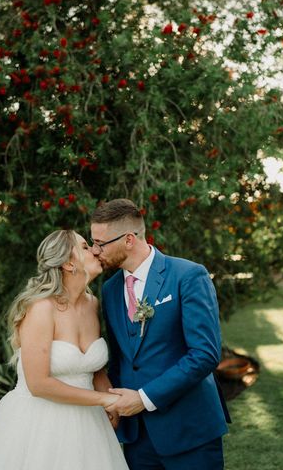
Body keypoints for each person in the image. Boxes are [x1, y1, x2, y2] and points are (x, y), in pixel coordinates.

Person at [90, 198, 231, 470]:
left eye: (100, 243)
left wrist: (143, 398)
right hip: (137, 436)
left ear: (129, 239)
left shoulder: (188, 275)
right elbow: (122, 356)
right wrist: (112, 402)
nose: (95, 251)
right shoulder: (109, 289)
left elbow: (205, 354)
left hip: (189, 429)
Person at [0, 229, 129, 470]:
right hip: (40, 424)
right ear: (68, 263)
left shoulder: (92, 304)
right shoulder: (40, 308)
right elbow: (39, 384)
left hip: (89, 423)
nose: (95, 250)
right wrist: (103, 399)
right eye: (85, 247)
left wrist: (112, 401)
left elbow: (92, 367)